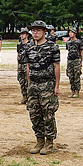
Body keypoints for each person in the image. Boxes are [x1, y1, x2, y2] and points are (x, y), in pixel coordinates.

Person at [25, 21, 61, 154]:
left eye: (38, 30)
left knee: (48, 114)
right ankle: (39, 140)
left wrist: (56, 86)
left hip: (47, 84)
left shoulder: (52, 47)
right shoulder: (29, 47)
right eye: (33, 30)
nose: (35, 33)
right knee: (34, 114)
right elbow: (28, 66)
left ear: (44, 32)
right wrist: (29, 85)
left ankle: (49, 142)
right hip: (33, 85)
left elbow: (56, 66)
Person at [65, 29, 82, 97]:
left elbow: (81, 52)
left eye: (72, 32)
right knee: (70, 76)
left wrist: (81, 62)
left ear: (75, 34)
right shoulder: (68, 42)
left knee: (76, 76)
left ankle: (77, 91)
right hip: (69, 60)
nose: (70, 33)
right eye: (69, 32)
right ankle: (72, 91)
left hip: (76, 60)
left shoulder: (78, 42)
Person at [15, 30, 31, 105]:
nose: (22, 35)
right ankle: (24, 97)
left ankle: (29, 98)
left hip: (27, 65)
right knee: (21, 82)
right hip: (21, 64)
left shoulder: (30, 44)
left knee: (28, 82)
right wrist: (18, 66)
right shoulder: (19, 45)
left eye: (23, 34)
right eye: (21, 34)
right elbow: (18, 55)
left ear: (27, 35)